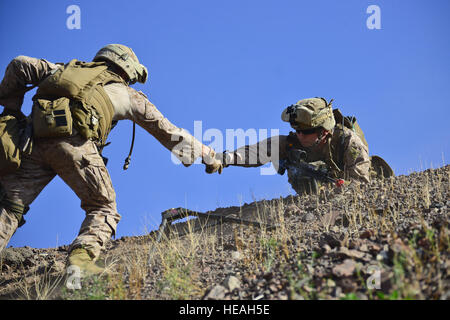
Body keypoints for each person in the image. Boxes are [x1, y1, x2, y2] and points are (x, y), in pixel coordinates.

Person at [0, 44, 222, 273]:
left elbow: (19, 64)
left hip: (31, 144)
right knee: (103, 207)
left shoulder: (64, 69)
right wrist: (206, 155)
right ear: (126, 69)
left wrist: (11, 111)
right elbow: (169, 132)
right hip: (76, 146)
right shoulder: (127, 94)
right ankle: (80, 262)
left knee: (9, 208)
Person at [220, 97, 391, 195]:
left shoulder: (348, 141)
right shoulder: (293, 143)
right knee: (298, 171)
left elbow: (359, 183)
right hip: (317, 200)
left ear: (323, 132)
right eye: (296, 130)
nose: (299, 135)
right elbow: (257, 152)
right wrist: (223, 159)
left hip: (363, 189)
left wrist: (333, 192)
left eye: (305, 131)